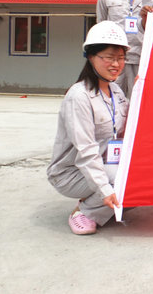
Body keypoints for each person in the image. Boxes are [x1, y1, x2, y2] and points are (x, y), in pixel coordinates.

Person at [47, 21, 130, 235]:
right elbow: (86, 151)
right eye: (109, 57)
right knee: (125, 180)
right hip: (72, 172)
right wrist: (104, 189)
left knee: (137, 179)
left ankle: (100, 199)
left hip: (105, 163)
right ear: (91, 56)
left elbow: (132, 123)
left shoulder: (116, 91)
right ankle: (85, 212)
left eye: (121, 58)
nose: (116, 64)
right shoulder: (79, 96)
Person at [96, 0, 148, 97]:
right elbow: (101, 25)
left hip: (142, 61)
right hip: (113, 62)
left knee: (138, 103)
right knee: (111, 101)